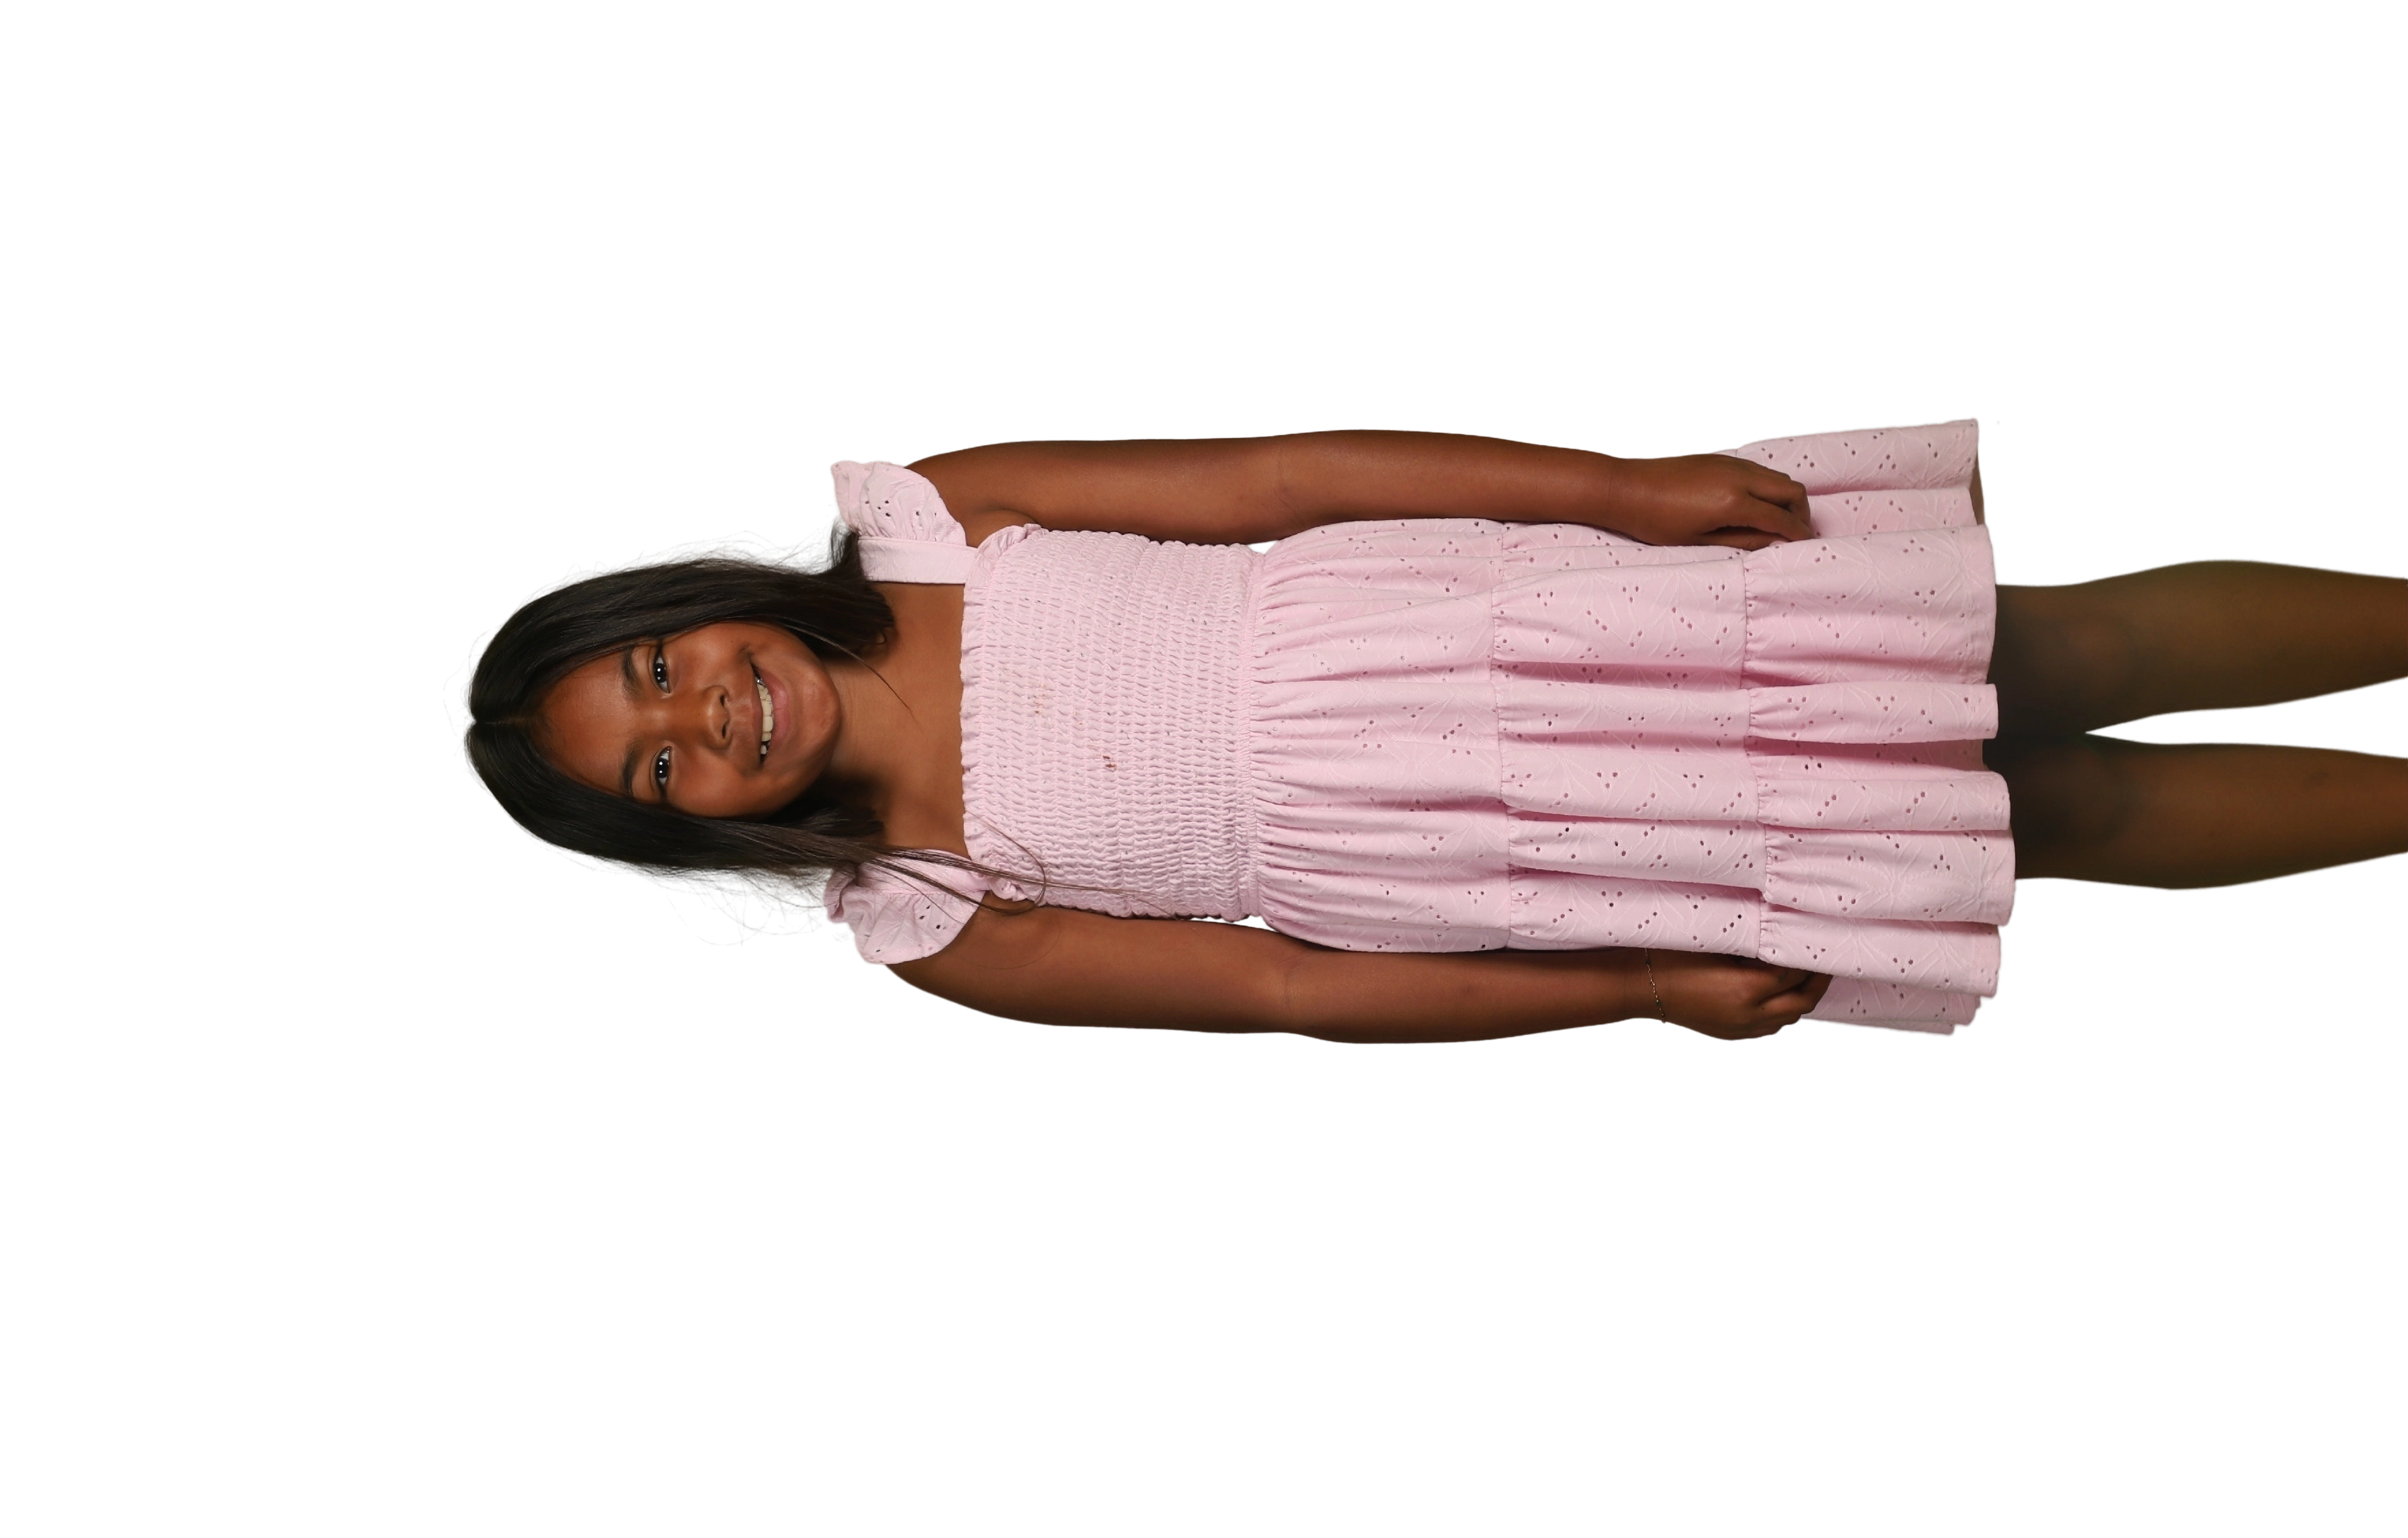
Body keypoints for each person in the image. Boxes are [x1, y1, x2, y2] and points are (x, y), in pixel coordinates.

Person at [444, 416, 2408, 1044]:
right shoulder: (929, 912)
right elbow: (1285, 988)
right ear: (690, 835)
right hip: (1519, 847)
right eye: (659, 769)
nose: (705, 715)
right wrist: (1634, 987)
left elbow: (1286, 478)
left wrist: (1622, 492)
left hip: (1527, 618)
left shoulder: (936, 521)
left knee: (2058, 644)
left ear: (681, 598)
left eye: (656, 669)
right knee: (2060, 818)